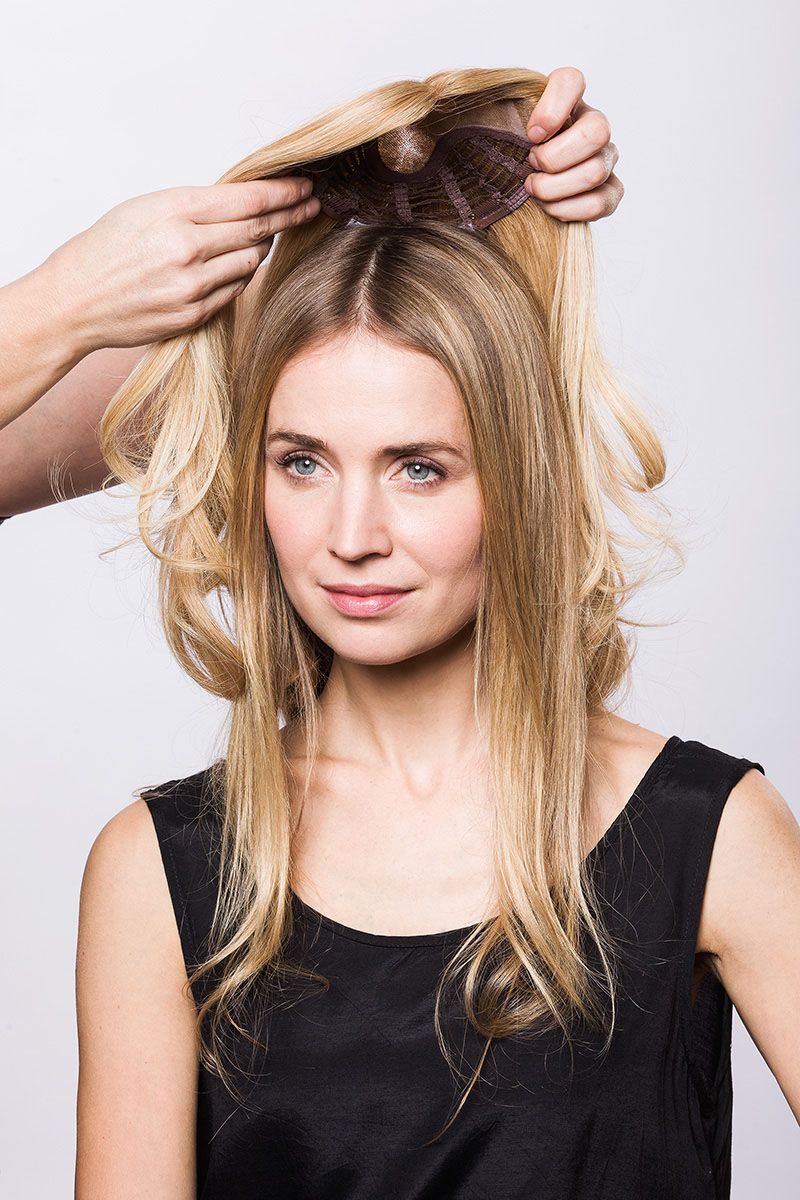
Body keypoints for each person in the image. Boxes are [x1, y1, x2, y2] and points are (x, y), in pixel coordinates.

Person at [5, 67, 798, 1199]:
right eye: (301, 463)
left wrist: (438, 167)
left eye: (418, 469)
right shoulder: (162, 872)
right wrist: (62, 304)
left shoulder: (708, 835)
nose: (351, 536)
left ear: (518, 485)